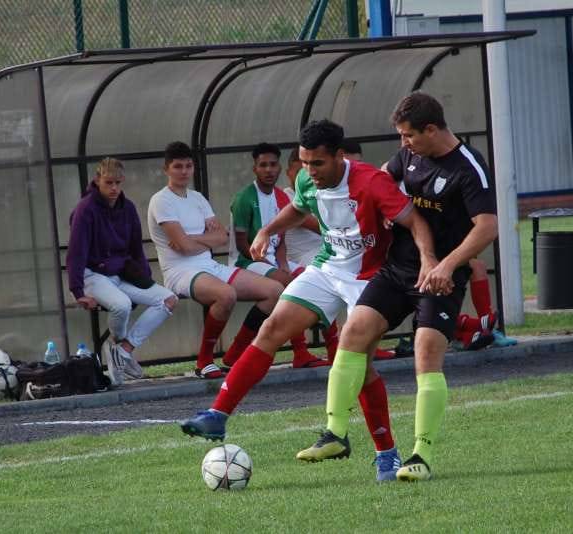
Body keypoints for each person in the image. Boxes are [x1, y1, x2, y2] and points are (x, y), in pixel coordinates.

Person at [180, 119, 439, 481]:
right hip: (325, 269)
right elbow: (300, 207)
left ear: (339, 157)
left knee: (361, 367)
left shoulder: (371, 182)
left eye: (318, 163)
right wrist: (267, 230)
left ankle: (387, 455)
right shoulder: (306, 180)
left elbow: (416, 222)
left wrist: (428, 260)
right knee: (271, 328)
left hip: (368, 279)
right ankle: (218, 415)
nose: (309, 171)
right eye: (304, 163)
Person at [297, 92, 499, 482]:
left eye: (409, 136)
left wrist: (448, 264)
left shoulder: (468, 167)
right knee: (353, 332)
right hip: (398, 268)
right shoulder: (408, 156)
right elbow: (379, 181)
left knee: (425, 353)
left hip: (441, 276)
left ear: (432, 129)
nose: (403, 144)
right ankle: (335, 433)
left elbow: (486, 226)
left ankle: (420, 455)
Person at [147, 141, 285, 379]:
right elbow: (183, 247)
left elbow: (222, 236)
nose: (183, 171)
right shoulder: (161, 200)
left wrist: (193, 239)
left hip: (207, 265)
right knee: (226, 294)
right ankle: (204, 361)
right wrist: (201, 240)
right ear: (166, 169)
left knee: (274, 290)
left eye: (188, 166)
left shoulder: (197, 197)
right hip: (179, 271)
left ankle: (234, 356)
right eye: (178, 166)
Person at [66, 158, 177, 386]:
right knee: (122, 305)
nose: (114, 188)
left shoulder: (128, 208)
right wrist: (78, 292)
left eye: (118, 183)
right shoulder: (85, 209)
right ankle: (117, 343)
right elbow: (76, 253)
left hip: (121, 274)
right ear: (97, 181)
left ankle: (122, 351)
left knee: (167, 299)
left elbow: (136, 248)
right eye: (109, 183)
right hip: (92, 275)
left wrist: (145, 279)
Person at [228, 142, 328, 368]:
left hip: (273, 259)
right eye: (263, 165)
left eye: (273, 164)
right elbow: (243, 245)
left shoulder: (282, 197)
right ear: (255, 169)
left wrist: (282, 263)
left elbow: (281, 238)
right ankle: (298, 352)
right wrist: (268, 264)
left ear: (279, 167)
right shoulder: (245, 197)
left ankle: (325, 349)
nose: (268, 170)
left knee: (313, 280)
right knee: (289, 286)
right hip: (247, 261)